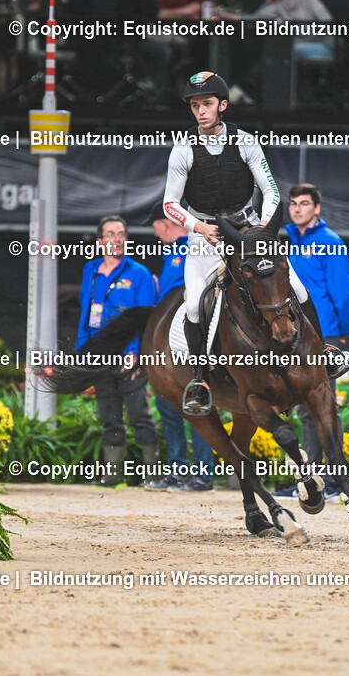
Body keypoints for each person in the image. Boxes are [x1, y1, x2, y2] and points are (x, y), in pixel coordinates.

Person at [162, 70, 348, 416]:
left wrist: (262, 224)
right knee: (194, 303)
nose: (200, 111)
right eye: (195, 105)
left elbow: (271, 190)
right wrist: (197, 226)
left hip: (247, 229)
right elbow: (169, 203)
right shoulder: (183, 149)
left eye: (206, 104)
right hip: (204, 234)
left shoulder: (246, 141)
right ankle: (200, 381)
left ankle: (322, 351)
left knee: (296, 286)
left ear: (222, 105)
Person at [273, 183, 349, 502]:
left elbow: (343, 293)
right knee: (305, 410)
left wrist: (342, 330)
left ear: (317, 208)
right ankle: (309, 481)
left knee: (325, 406)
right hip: (292, 335)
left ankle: (335, 482)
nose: (297, 209)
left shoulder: (330, 242)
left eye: (304, 203)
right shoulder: (287, 240)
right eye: (293, 203)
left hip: (324, 335)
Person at [76, 215, 160, 487]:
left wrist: (135, 354)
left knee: (140, 415)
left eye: (121, 233)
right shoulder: (90, 271)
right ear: (100, 241)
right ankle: (113, 476)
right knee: (109, 417)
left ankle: (152, 476)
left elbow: (146, 320)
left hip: (129, 356)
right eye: (111, 234)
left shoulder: (139, 273)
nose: (117, 239)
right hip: (99, 354)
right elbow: (86, 313)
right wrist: (81, 352)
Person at [144, 205, 216, 492]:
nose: (155, 233)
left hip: (189, 339)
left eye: (155, 227)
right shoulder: (172, 253)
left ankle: (203, 473)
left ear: (164, 224)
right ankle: (178, 469)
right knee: (167, 402)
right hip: (167, 341)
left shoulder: (194, 245)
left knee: (195, 401)